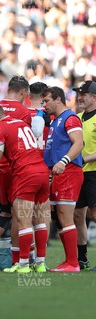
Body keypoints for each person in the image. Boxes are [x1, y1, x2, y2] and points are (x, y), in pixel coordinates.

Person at [0, 104, 50, 274]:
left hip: (25, 173)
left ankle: (23, 264)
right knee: (40, 220)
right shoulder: (21, 123)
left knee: (23, 220)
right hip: (42, 171)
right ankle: (40, 263)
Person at [0, 76, 32, 270]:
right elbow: (27, 142)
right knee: (20, 214)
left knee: (3, 212)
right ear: (23, 92)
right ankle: (18, 259)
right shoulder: (24, 112)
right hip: (17, 169)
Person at [42, 86, 84, 272]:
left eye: (47, 101)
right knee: (59, 218)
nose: (44, 105)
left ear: (58, 99)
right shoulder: (55, 121)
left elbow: (79, 143)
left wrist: (64, 160)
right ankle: (70, 261)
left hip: (69, 172)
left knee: (65, 216)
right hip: (57, 173)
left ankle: (73, 263)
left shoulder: (70, 118)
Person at [73, 81, 96, 271]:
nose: (80, 97)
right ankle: (82, 259)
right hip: (79, 173)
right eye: (79, 94)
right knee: (77, 216)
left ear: (94, 97)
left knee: (94, 214)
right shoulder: (77, 118)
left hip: (94, 173)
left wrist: (83, 159)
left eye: (84, 94)